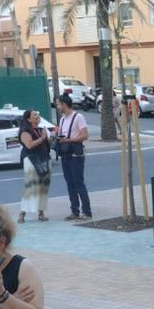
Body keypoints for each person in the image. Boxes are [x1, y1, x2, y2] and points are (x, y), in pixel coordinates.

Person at [54, 94, 91, 222]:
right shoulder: (63, 119)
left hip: (76, 155)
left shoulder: (78, 117)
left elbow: (85, 135)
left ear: (64, 104)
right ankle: (74, 211)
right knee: (70, 184)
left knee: (79, 183)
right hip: (65, 154)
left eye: (58, 104)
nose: (57, 106)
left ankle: (86, 211)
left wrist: (69, 140)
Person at [17, 108, 51, 223]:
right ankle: (22, 214)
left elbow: (46, 143)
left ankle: (41, 213)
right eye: (34, 115)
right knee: (31, 187)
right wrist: (42, 138)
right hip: (32, 160)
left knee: (43, 187)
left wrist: (50, 138)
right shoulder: (25, 131)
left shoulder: (40, 129)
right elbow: (30, 145)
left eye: (38, 114)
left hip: (44, 159)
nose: (37, 116)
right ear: (28, 119)